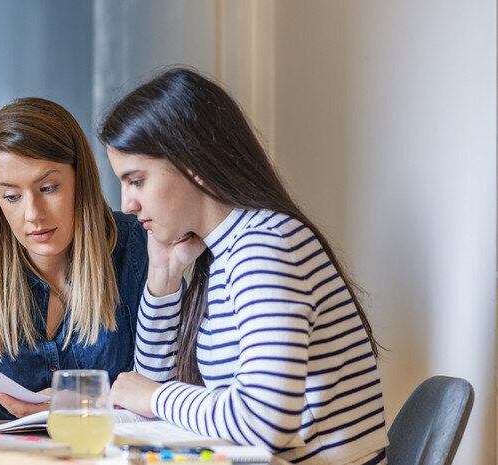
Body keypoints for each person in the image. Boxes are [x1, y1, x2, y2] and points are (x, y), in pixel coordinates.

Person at [102, 68, 389, 465]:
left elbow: (262, 423)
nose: (128, 203)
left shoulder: (266, 246)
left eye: (136, 181)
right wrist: (164, 275)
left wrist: (153, 396)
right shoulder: (226, 252)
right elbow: (150, 388)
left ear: (192, 162)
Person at [0, 97, 147, 420]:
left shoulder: (136, 247)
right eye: (11, 197)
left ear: (79, 180)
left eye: (48, 188)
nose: (33, 215)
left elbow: (171, 385)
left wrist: (79, 402)